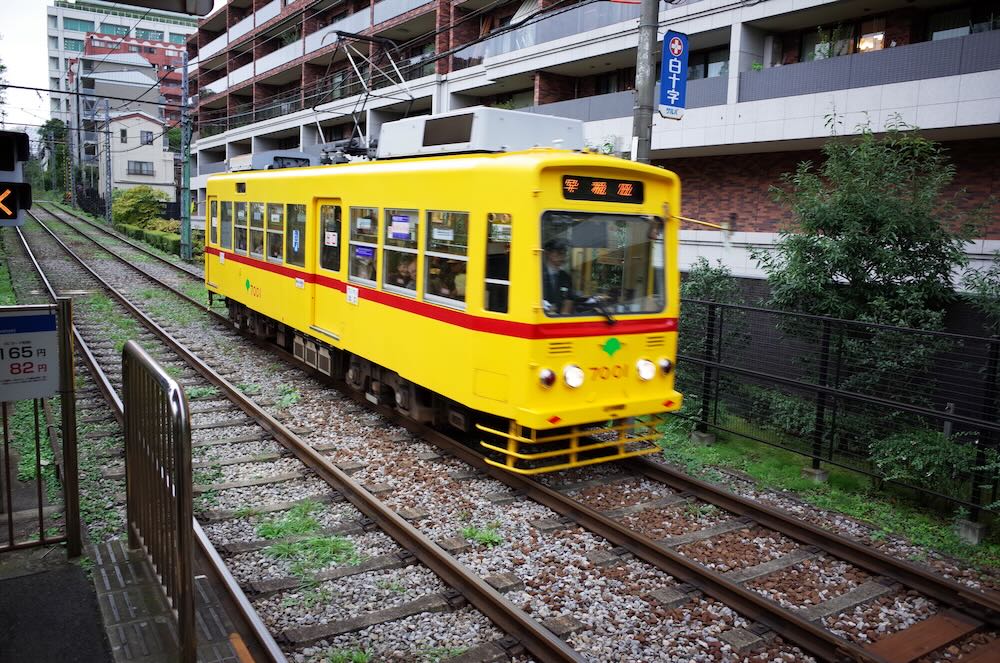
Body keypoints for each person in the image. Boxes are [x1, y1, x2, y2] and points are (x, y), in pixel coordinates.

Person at [542, 239, 574, 315]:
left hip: (558, 320)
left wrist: (564, 315)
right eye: (559, 252)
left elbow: (569, 298)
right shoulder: (537, 273)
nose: (562, 256)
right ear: (548, 253)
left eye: (564, 253)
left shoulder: (565, 276)